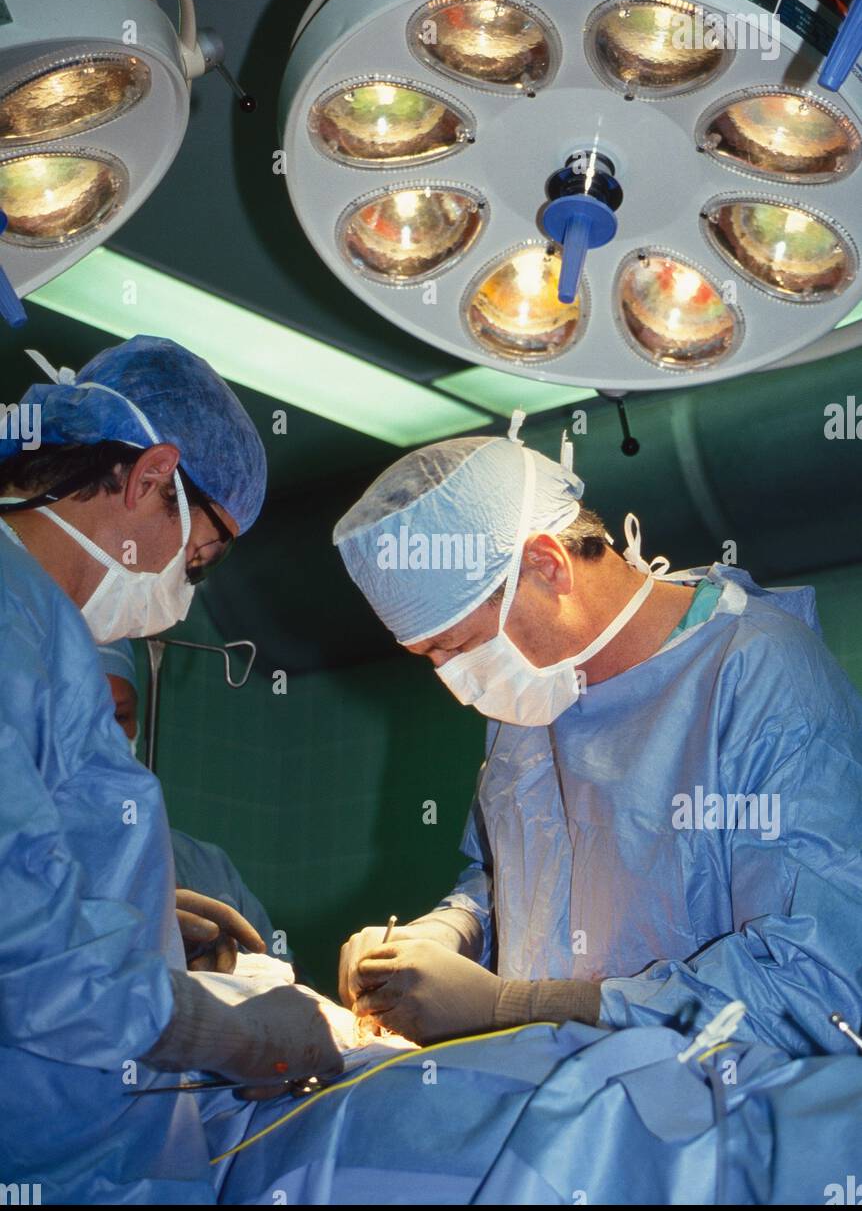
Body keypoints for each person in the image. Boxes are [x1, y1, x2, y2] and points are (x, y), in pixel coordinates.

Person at [334, 433, 862, 1056]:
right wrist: (452, 930)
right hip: (563, 1105)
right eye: (430, 658)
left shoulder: (757, 673)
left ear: (547, 564)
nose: (456, 682)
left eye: (459, 644)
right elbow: (524, 877)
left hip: (721, 1125)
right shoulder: (534, 688)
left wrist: (515, 1009)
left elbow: (817, 989)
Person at [0, 336, 341, 1204]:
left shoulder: (45, 637)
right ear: (153, 476)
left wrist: (149, 936)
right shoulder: (12, 627)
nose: (190, 579)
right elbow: (25, 949)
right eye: (203, 551)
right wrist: (228, 1035)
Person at [97, 638, 278, 966]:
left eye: (120, 716)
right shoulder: (22, 856)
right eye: (86, 719)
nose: (107, 737)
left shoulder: (205, 867)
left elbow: (287, 982)